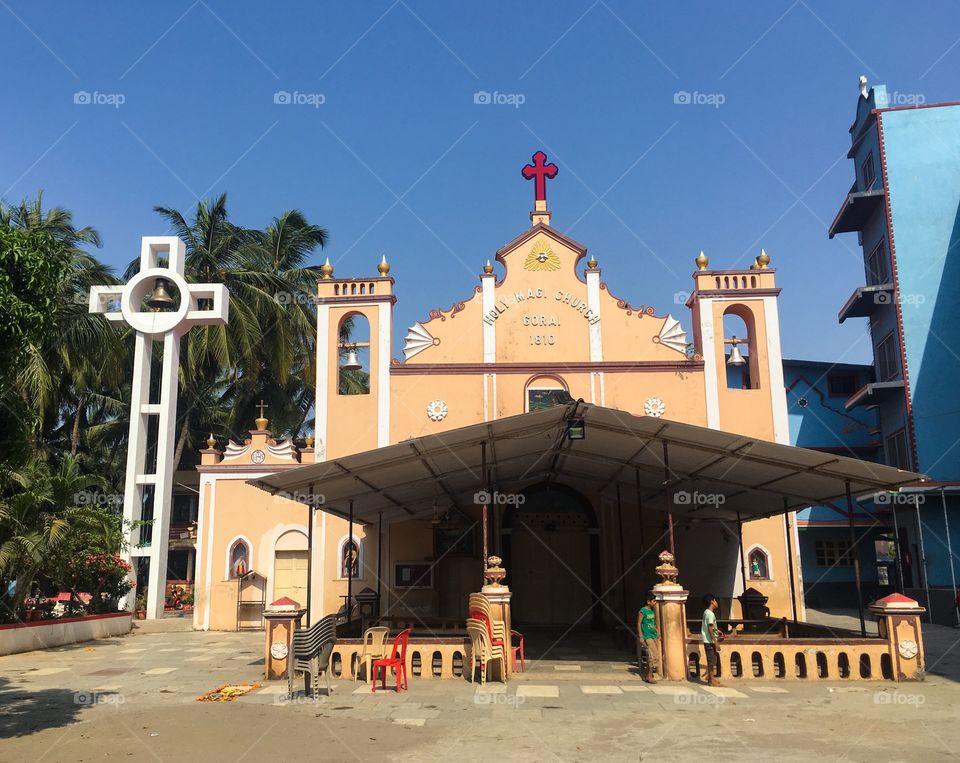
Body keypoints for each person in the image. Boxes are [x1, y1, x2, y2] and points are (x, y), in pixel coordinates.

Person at [637, 592, 660, 682]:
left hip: (653, 635)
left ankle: (647, 674)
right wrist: (641, 636)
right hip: (647, 636)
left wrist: (657, 631)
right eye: (654, 601)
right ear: (648, 601)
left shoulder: (651, 611)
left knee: (652, 655)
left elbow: (652, 623)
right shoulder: (643, 611)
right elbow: (639, 623)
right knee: (652, 655)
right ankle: (650, 676)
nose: (655, 603)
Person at [701, 593, 722, 687]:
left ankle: (711, 678)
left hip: (709, 640)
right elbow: (709, 628)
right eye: (715, 600)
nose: (717, 603)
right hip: (709, 641)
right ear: (712, 601)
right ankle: (711, 680)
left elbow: (711, 627)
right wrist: (716, 641)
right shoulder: (710, 614)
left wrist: (717, 631)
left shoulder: (706, 612)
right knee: (712, 661)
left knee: (712, 660)